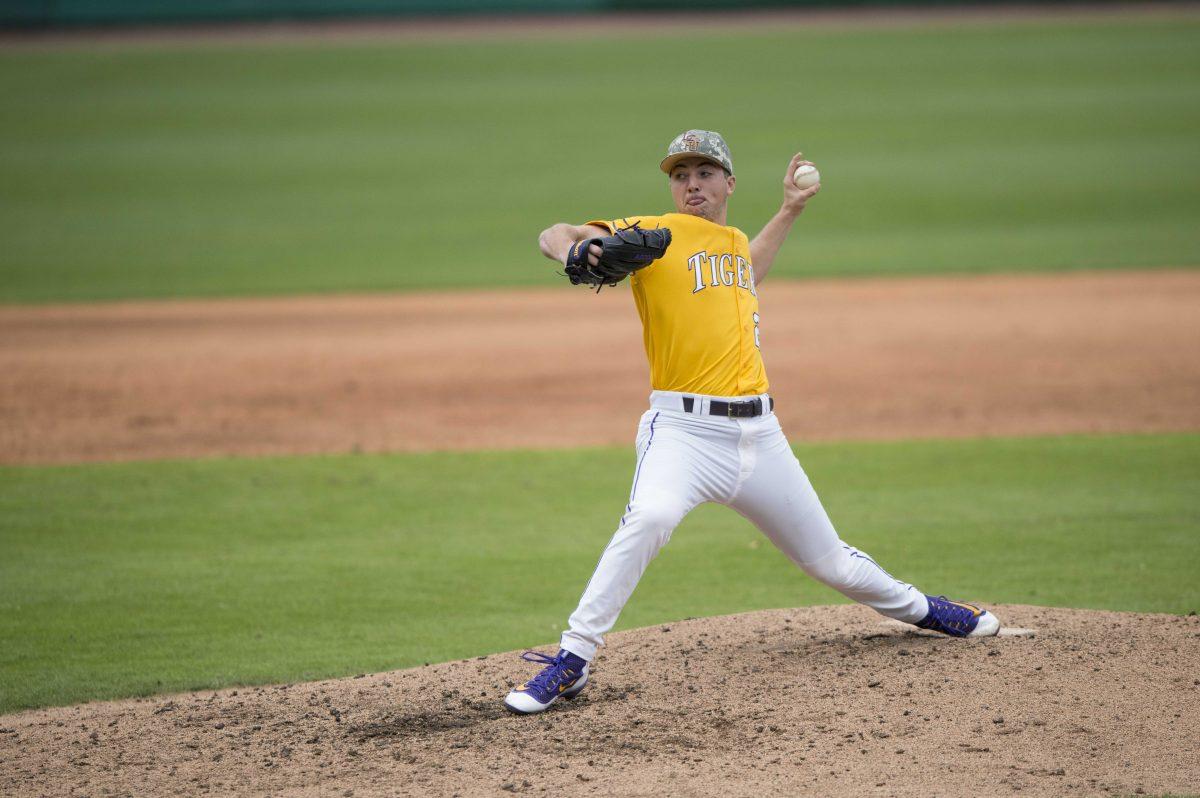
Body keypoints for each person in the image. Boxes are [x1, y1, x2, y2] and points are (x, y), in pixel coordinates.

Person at [503, 130, 1000, 716]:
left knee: (830, 561)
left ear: (728, 183)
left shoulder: (733, 243)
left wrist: (788, 210)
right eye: (681, 174)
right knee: (651, 516)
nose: (691, 183)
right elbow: (553, 233)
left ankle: (923, 609)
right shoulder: (657, 234)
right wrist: (571, 251)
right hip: (683, 434)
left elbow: (746, 271)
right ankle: (573, 659)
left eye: (704, 172)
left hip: (761, 438)